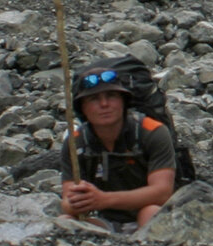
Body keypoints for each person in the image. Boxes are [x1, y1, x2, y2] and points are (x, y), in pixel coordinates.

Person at [59, 61, 178, 228]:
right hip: (104, 221)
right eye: (94, 99)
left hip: (149, 216)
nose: (104, 104)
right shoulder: (75, 143)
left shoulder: (152, 132)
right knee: (65, 222)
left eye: (111, 96)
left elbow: (162, 193)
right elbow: (67, 202)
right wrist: (75, 202)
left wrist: (103, 200)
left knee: (150, 212)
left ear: (124, 101)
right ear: (83, 108)